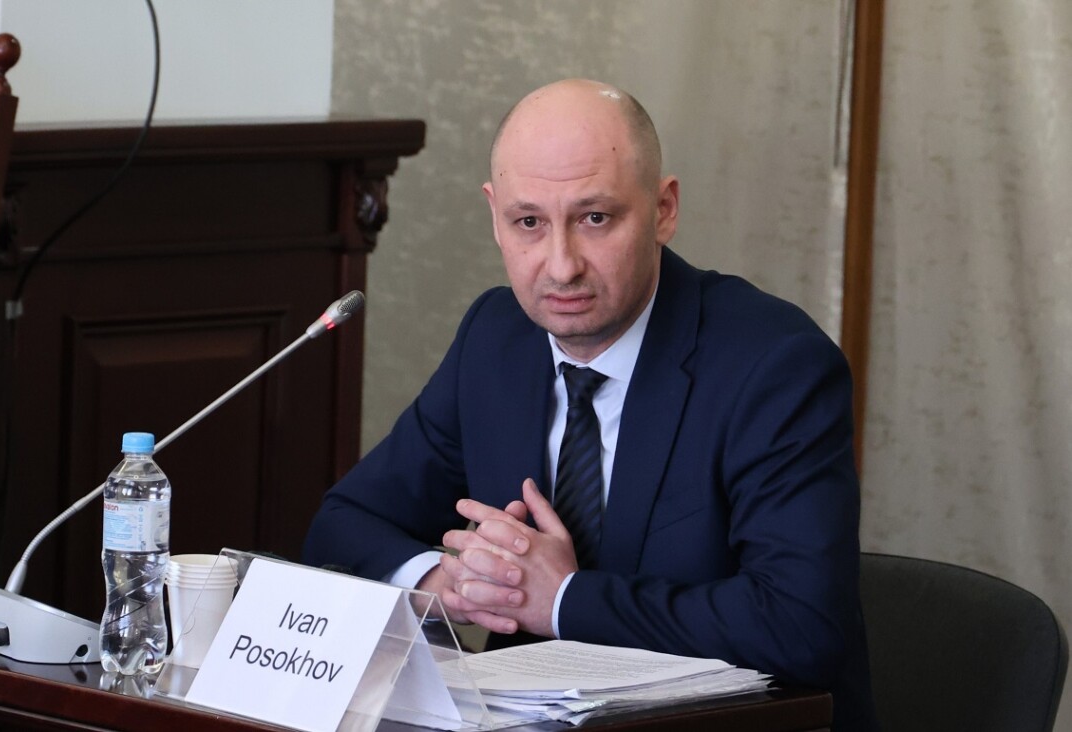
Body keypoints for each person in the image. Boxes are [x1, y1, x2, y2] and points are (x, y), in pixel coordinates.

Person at [304, 78, 877, 730]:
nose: (561, 265)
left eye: (595, 219)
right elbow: (344, 525)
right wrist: (447, 582)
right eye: (529, 222)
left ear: (664, 209)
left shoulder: (774, 366)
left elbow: (800, 626)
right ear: (495, 217)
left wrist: (563, 599)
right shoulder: (496, 339)